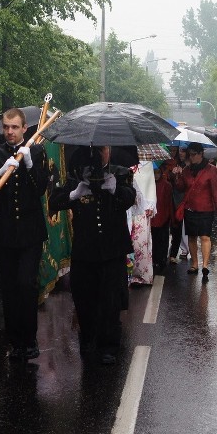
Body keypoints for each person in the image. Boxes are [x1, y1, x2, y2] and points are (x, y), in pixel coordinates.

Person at [50, 146, 136, 364]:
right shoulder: (77, 173)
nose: (100, 153)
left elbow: (130, 198)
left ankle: (109, 345)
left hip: (112, 249)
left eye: (103, 149)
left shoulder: (120, 172)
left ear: (109, 149)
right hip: (85, 249)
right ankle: (87, 339)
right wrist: (74, 194)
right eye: (96, 149)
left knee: (110, 301)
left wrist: (115, 189)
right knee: (84, 299)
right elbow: (55, 201)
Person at [0, 107, 50, 361]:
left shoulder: (37, 151)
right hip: (5, 232)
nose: (9, 132)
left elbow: (41, 189)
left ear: (24, 129)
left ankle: (30, 339)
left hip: (30, 232)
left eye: (14, 127)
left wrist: (29, 165)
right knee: (9, 287)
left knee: (26, 284)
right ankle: (15, 342)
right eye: (6, 127)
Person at [172, 142, 217, 281]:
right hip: (190, 208)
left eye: (193, 154)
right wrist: (177, 176)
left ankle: (205, 265)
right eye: (189, 154)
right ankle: (195, 264)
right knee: (191, 237)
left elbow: (216, 191)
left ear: (201, 154)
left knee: (205, 237)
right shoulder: (186, 170)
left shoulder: (211, 170)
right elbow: (180, 188)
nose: (190, 157)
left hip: (206, 209)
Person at [129, 161, 156, 285]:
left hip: (142, 208)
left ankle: (141, 275)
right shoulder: (121, 163)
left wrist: (150, 204)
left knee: (140, 241)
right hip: (126, 207)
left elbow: (150, 185)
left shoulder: (147, 165)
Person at [165, 146, 190, 263]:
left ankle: (174, 253)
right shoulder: (166, 163)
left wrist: (179, 175)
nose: (175, 152)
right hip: (167, 199)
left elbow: (184, 185)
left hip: (179, 200)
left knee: (178, 227)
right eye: (172, 150)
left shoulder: (186, 166)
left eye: (177, 150)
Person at [150, 164, 173, 272]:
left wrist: (170, 216)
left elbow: (169, 202)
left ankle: (162, 259)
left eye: (158, 172)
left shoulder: (167, 185)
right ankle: (154, 259)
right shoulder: (149, 185)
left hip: (163, 216)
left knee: (162, 239)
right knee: (153, 240)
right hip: (152, 217)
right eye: (154, 173)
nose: (156, 175)